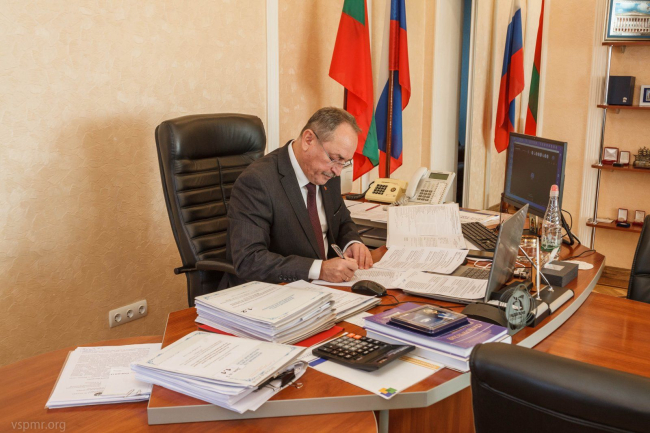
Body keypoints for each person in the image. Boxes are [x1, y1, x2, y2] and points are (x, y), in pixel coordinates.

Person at [224, 107, 374, 286]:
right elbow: (249, 260)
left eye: (345, 162)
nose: (338, 171)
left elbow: (341, 220)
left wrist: (352, 243)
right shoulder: (257, 181)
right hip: (277, 290)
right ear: (308, 140)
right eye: (335, 158)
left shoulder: (329, 173)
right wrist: (319, 270)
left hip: (326, 287)